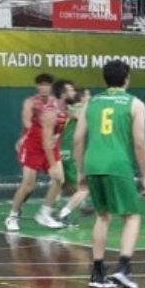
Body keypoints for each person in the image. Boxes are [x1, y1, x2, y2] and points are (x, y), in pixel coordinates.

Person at [74, 60, 145, 288]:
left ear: (105, 79)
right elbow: (139, 143)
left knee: (102, 216)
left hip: (93, 163)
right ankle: (124, 268)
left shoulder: (91, 102)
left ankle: (97, 272)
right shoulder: (135, 103)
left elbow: (77, 139)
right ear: (127, 78)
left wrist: (80, 171)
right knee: (132, 216)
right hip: (117, 163)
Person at [5, 80, 72, 231]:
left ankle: (45, 214)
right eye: (71, 91)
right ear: (62, 94)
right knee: (29, 185)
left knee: (60, 179)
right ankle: (13, 216)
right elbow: (42, 136)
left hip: (51, 146)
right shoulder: (48, 111)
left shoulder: (67, 109)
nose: (74, 93)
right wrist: (52, 164)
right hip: (34, 147)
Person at [58, 89, 92, 224]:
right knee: (84, 187)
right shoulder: (79, 109)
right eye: (88, 95)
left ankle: (82, 207)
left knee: (69, 186)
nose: (90, 97)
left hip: (65, 151)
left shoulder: (74, 109)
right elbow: (78, 114)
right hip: (71, 153)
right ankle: (62, 214)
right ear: (82, 97)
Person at [14, 73, 55, 156]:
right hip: (33, 138)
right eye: (42, 85)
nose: (44, 88)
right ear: (37, 86)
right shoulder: (30, 102)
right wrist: (43, 135)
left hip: (52, 139)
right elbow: (27, 123)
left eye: (47, 85)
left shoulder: (56, 102)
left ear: (51, 87)